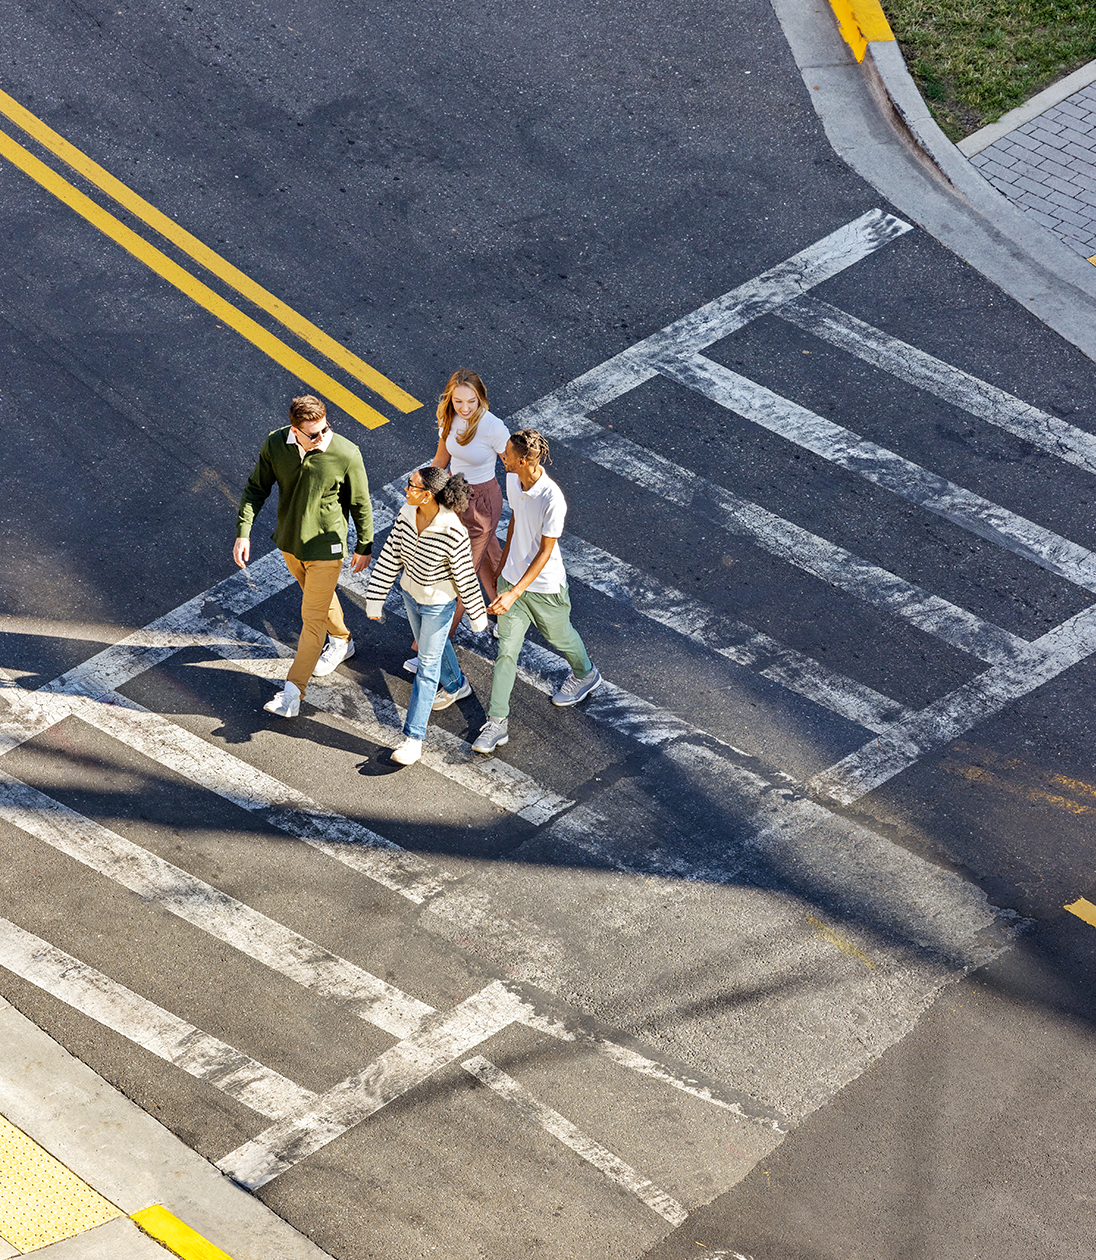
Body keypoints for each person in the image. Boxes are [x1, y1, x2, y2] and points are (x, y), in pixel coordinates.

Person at [234, 394, 372, 719]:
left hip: (327, 548)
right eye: (314, 433)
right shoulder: (275, 445)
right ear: (294, 431)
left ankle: (292, 693)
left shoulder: (345, 453)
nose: (322, 438)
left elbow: (360, 504)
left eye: (325, 429)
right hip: (291, 544)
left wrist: (364, 545)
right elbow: (256, 488)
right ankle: (342, 640)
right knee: (319, 601)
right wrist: (244, 531)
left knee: (311, 620)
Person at [471, 429, 601, 755]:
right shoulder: (515, 481)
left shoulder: (552, 498)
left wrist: (515, 592)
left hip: (544, 589)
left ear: (525, 460)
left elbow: (545, 552)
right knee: (506, 653)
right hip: (513, 582)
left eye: (507, 456)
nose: (502, 458)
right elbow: (516, 517)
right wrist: (503, 567)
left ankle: (586, 674)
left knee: (560, 638)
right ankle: (496, 722)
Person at [365, 468, 488, 765]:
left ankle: (413, 739)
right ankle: (457, 685)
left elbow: (465, 577)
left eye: (411, 485)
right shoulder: (407, 513)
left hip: (438, 604)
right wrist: (375, 600)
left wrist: (476, 616)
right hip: (410, 594)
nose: (406, 489)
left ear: (428, 494)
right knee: (430, 644)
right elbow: (391, 555)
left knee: (427, 666)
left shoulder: (452, 531)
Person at [404, 369, 508, 674]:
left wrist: (528, 500)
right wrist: (423, 492)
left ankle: (431, 651)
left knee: (459, 572)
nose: (465, 408)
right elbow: (440, 461)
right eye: (459, 400)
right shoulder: (449, 419)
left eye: (471, 401)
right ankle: (508, 609)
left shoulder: (492, 426)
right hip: (455, 495)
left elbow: (511, 465)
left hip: (483, 505)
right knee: (489, 558)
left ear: (481, 398)